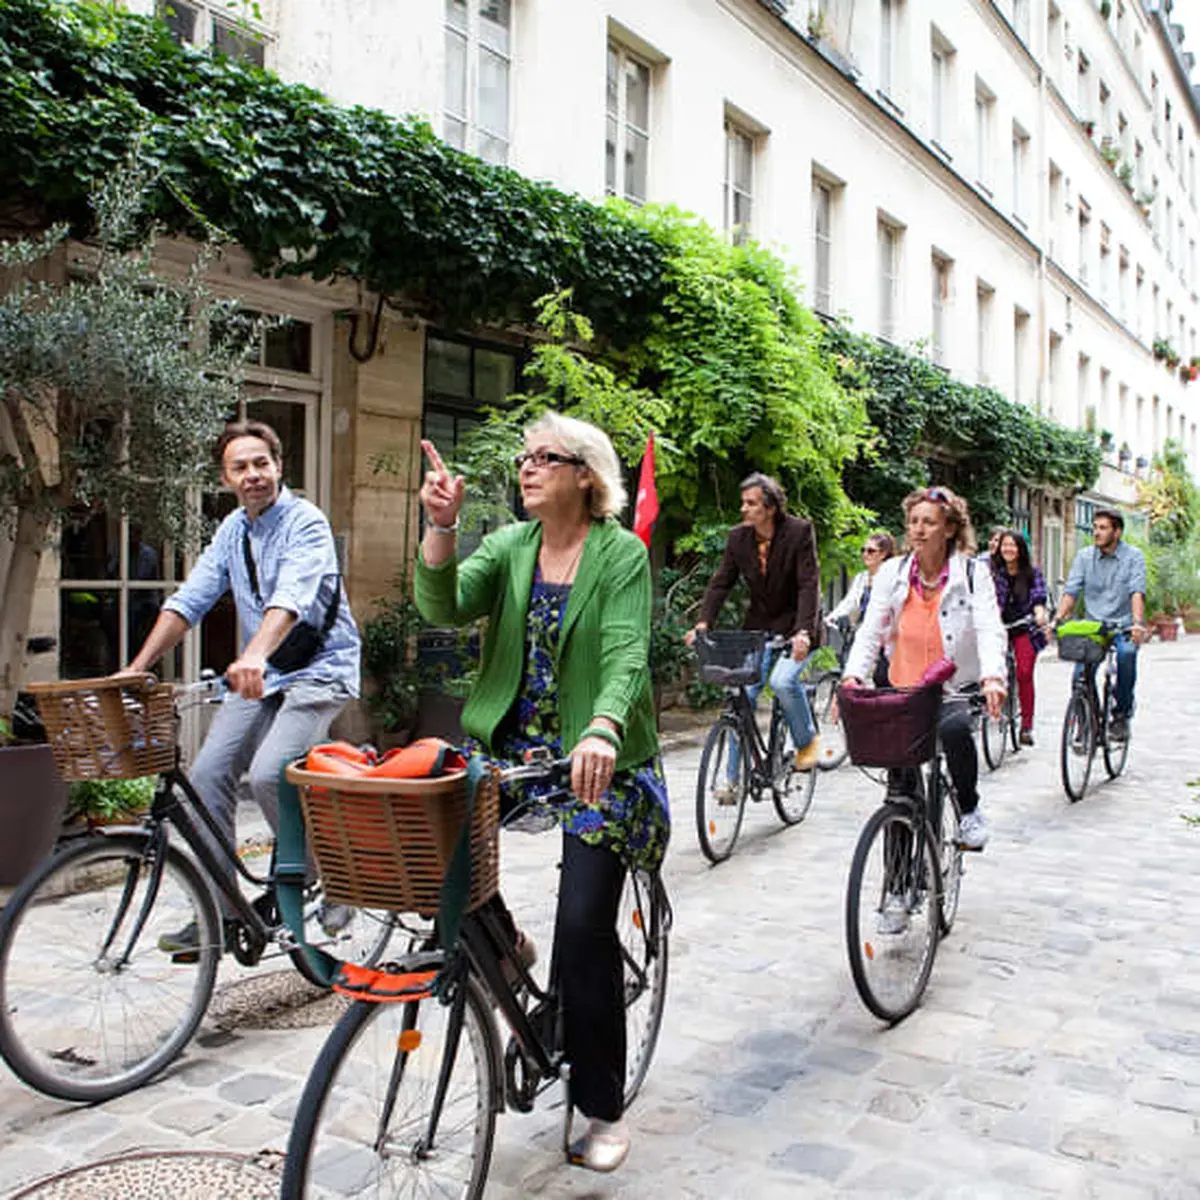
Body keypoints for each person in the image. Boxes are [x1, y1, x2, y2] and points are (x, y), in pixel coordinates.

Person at [414, 413, 669, 1174]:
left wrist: (600, 728)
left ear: (585, 475)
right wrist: (442, 527)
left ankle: (600, 1106)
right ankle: (507, 945)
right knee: (441, 866)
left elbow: (626, 651)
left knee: (585, 927)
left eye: (543, 459)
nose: (525, 469)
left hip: (602, 761)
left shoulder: (619, 555)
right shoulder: (510, 547)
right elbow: (444, 605)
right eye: (523, 459)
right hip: (515, 751)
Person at [120, 420, 361, 950]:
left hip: (320, 670)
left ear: (279, 466)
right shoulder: (232, 530)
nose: (252, 475)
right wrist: (139, 665)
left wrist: (251, 653)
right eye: (240, 467)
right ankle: (220, 912)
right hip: (263, 673)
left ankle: (330, 879)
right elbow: (191, 599)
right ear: (225, 478)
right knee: (207, 774)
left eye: (261, 463)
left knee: (271, 772)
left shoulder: (307, 523)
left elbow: (292, 599)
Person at [842, 485, 1006, 852]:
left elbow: (988, 627)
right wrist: (853, 676)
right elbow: (871, 630)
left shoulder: (973, 575)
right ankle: (897, 892)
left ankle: (968, 809)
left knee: (955, 727)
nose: (918, 529)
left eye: (928, 522)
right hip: (905, 687)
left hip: (954, 686)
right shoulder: (891, 572)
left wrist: (993, 676)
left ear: (948, 529)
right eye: (913, 521)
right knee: (899, 791)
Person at [685, 473, 823, 786]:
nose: (743, 509)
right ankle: (732, 781)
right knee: (741, 696)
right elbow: (721, 582)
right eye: (743, 503)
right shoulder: (738, 538)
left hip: (797, 626)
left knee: (783, 681)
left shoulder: (799, 532)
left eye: (751, 503)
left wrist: (803, 632)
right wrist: (703, 623)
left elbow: (808, 585)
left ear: (770, 507)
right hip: (759, 629)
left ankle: (806, 741)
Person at [1054, 508, 1149, 740]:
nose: (1096, 532)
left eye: (1103, 528)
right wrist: (1056, 619)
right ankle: (1088, 722)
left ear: (1117, 532)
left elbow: (1137, 592)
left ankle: (1121, 714)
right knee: (1079, 677)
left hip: (1123, 625)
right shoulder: (1084, 557)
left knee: (1126, 655)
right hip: (1094, 626)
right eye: (1095, 527)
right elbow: (1071, 591)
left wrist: (1137, 623)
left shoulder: (1133, 557)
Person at [989, 529, 1049, 745]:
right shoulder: (993, 572)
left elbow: (1039, 598)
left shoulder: (1032, 573)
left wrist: (1039, 613)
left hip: (1024, 627)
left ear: (1020, 549)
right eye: (1005, 545)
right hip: (999, 627)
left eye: (1013, 545)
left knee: (1024, 673)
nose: (1008, 549)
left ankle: (1026, 725)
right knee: (992, 669)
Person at [825, 531, 896, 685]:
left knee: (880, 677)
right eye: (863, 550)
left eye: (871, 551)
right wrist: (830, 618)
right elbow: (849, 602)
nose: (865, 554)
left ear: (883, 554)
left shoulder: (890, 578)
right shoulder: (862, 578)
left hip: (883, 636)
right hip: (862, 632)